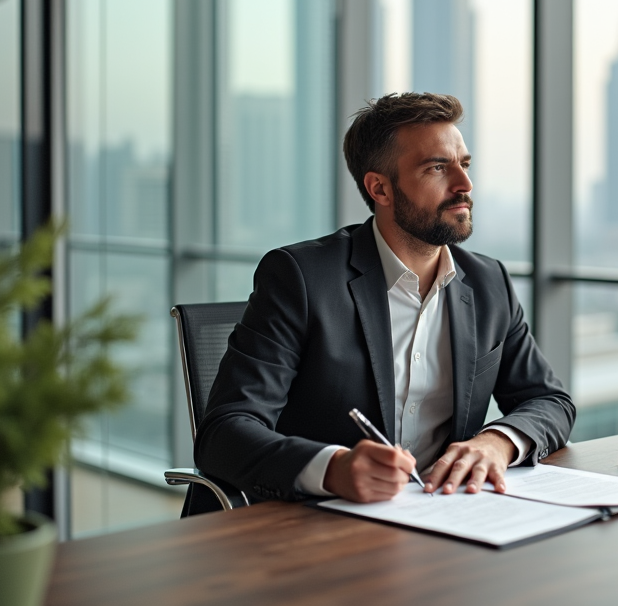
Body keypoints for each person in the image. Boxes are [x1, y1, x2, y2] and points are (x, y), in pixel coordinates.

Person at [195, 93, 574, 505]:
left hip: (442, 518)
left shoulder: (488, 282)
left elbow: (550, 401)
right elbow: (224, 432)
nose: (464, 185)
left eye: (464, 165)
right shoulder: (300, 278)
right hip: (310, 523)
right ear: (380, 188)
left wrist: (496, 442)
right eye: (436, 168)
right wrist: (333, 468)